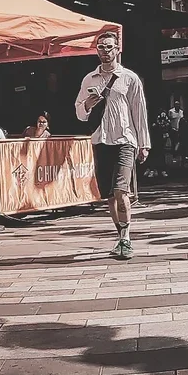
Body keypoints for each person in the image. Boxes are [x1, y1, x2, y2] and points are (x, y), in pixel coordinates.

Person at [74, 30, 151, 258]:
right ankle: (120, 236)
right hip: (100, 140)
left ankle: (126, 239)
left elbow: (139, 112)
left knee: (121, 190)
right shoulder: (89, 79)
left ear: (118, 50)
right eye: (101, 47)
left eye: (109, 47)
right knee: (109, 194)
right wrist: (87, 104)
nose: (105, 52)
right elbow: (79, 113)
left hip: (124, 140)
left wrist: (143, 144)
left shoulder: (130, 78)